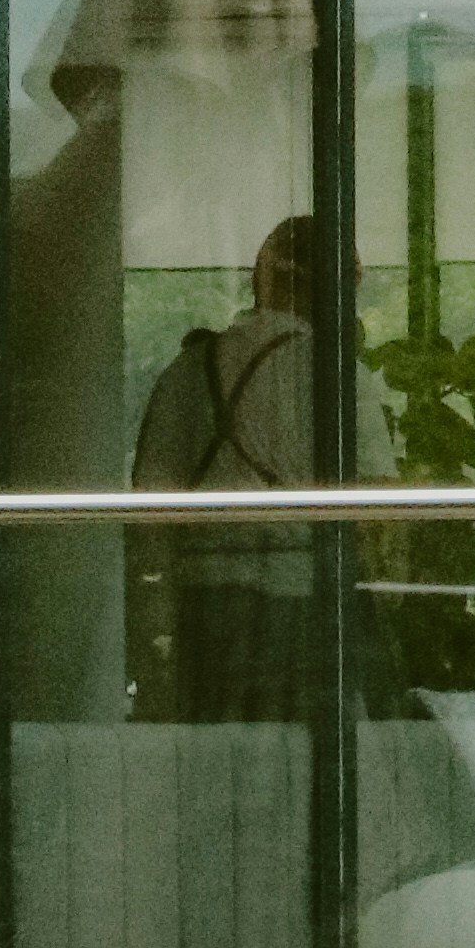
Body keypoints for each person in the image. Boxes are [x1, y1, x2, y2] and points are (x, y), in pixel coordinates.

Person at [129, 216, 320, 721]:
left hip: (201, 597)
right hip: (299, 599)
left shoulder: (184, 372)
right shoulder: (334, 371)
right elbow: (380, 507)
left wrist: (154, 608)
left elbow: (149, 497)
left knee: (210, 741)